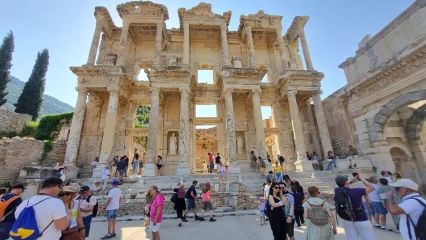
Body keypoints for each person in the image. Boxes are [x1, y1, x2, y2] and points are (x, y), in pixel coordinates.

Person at [334, 174, 376, 240]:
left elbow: (343, 186)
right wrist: (362, 179)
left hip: (348, 220)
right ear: (346, 183)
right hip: (361, 219)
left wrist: (351, 181)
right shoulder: (356, 191)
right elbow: (372, 188)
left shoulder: (336, 191)